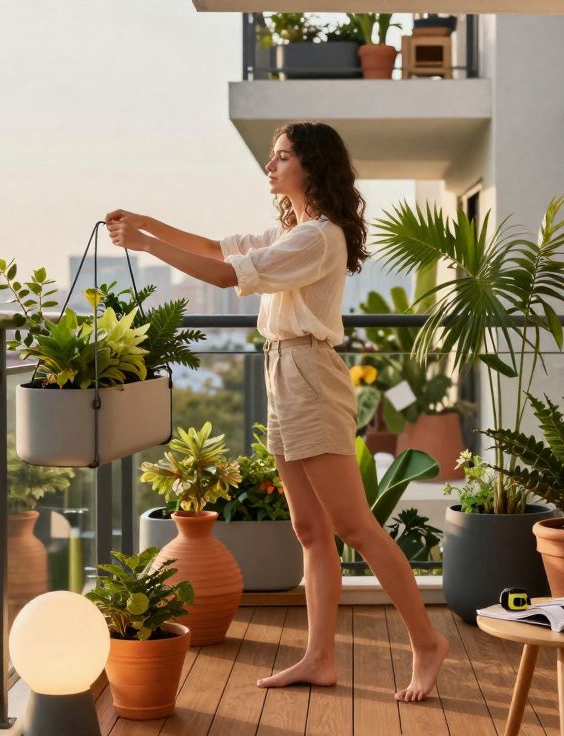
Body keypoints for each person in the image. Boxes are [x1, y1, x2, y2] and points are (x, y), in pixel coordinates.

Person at [106, 121, 448, 702]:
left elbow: (224, 274)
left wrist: (145, 245)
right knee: (310, 530)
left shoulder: (316, 237)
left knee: (354, 526)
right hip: (285, 372)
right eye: (272, 156)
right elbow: (218, 249)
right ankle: (318, 658)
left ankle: (425, 641)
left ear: (310, 166)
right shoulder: (291, 231)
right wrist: (145, 223)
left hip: (310, 376)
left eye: (281, 156)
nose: (270, 165)